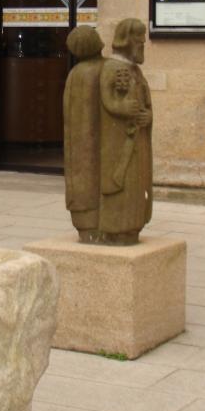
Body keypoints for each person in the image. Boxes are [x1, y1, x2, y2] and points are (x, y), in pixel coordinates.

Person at [98, 18, 152, 245]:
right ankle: (116, 229)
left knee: (136, 184)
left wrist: (148, 116)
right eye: (139, 42)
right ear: (126, 41)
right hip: (119, 142)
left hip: (137, 140)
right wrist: (122, 107)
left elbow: (146, 104)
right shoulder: (111, 68)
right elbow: (107, 100)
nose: (142, 45)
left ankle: (133, 227)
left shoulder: (136, 71)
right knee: (121, 185)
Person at [63, 25, 105, 241]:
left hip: (77, 140)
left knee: (82, 175)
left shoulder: (75, 73)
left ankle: (85, 223)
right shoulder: (102, 70)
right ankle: (93, 224)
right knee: (92, 176)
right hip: (93, 139)